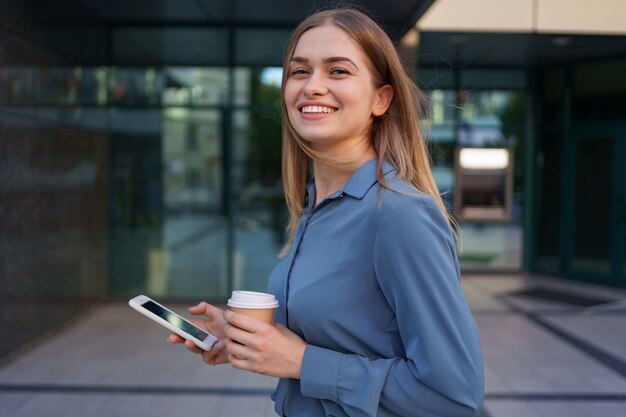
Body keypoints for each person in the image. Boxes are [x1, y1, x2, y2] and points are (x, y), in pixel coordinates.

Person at [168, 7, 484, 417]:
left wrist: (302, 361)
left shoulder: (400, 216)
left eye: (338, 71)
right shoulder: (313, 207)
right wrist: (247, 339)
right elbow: (339, 336)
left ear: (381, 98)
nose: (313, 86)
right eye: (299, 72)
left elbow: (455, 397)